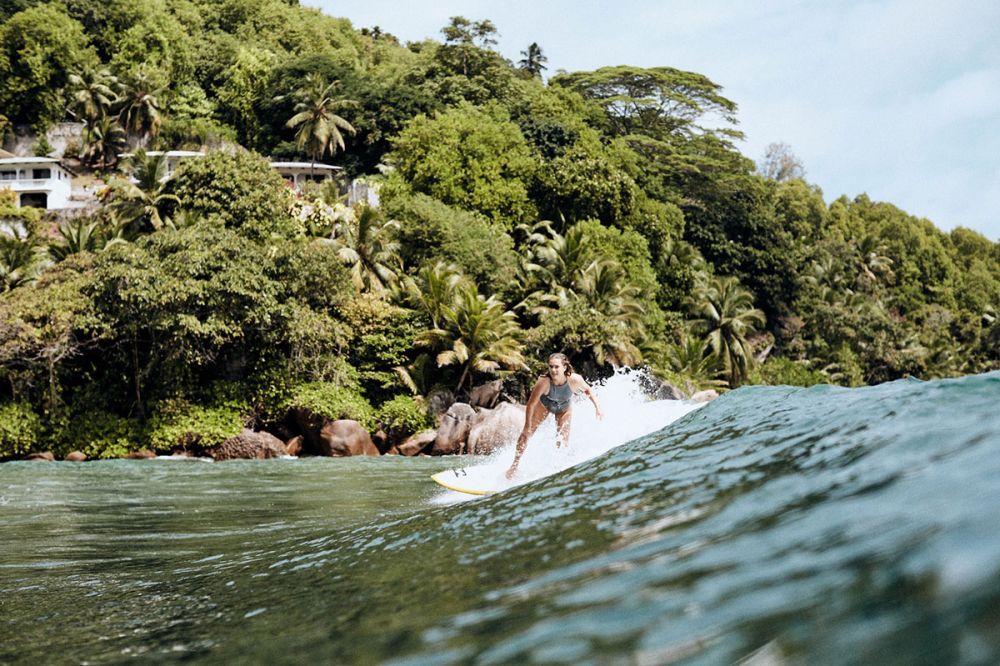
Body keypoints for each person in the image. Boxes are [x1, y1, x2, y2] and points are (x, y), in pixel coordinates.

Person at [505, 353, 603, 479]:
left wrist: (598, 408)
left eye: (556, 367)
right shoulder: (543, 382)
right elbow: (531, 404)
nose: (553, 370)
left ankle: (559, 467)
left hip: (564, 409)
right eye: (551, 366)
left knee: (562, 440)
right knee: (526, 434)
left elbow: (588, 390)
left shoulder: (574, 379)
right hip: (544, 405)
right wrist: (527, 426)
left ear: (564, 367)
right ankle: (514, 465)